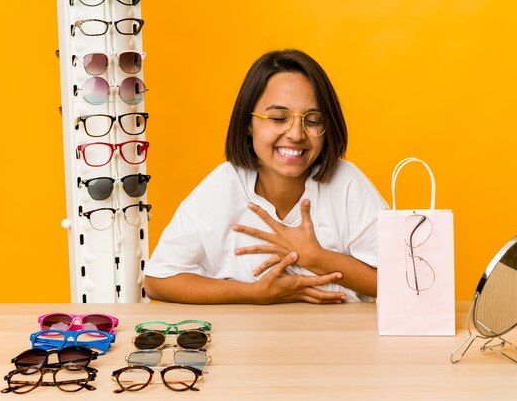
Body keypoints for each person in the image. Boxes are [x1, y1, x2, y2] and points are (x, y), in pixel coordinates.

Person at [144, 49, 387, 304]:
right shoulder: (224, 185)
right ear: (248, 123)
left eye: (313, 121)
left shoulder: (347, 183)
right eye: (278, 118)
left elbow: (402, 283)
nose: (296, 134)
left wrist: (314, 256)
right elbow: (158, 281)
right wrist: (253, 293)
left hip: (342, 341)